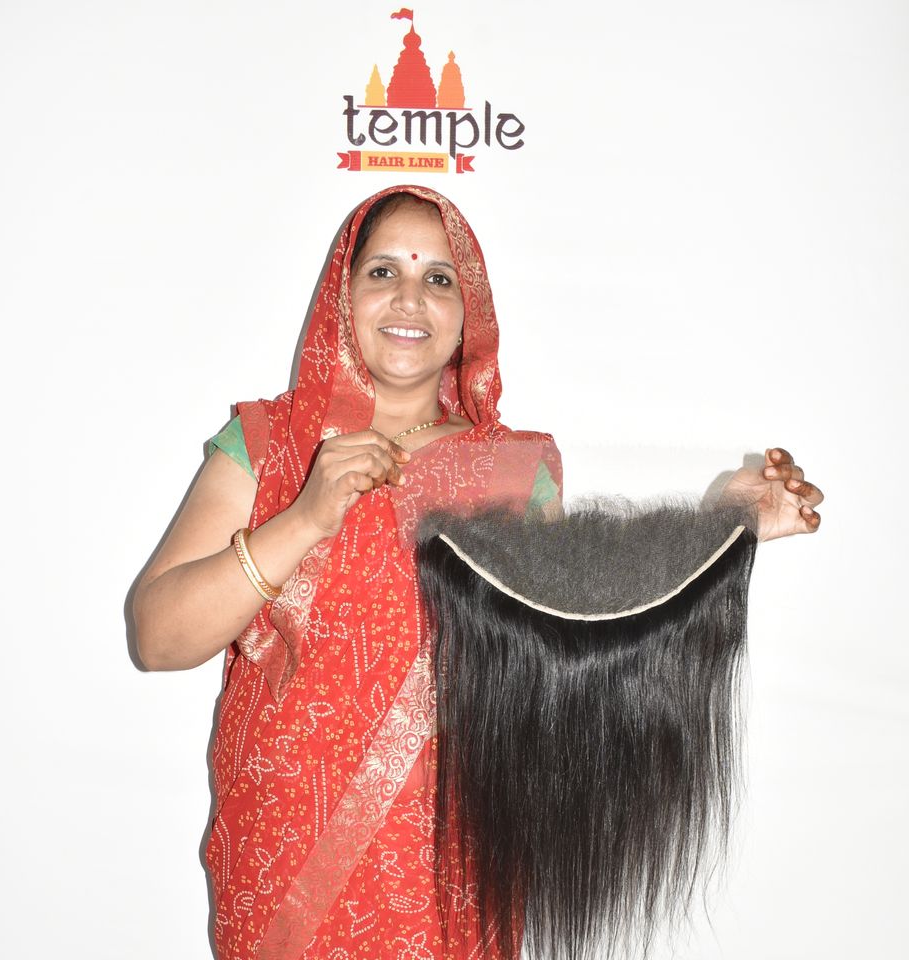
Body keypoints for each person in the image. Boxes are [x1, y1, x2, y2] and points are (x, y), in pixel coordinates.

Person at [132, 184, 824, 960]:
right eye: (383, 271)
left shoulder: (513, 471)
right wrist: (305, 518)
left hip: (454, 874)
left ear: (470, 313)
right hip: (289, 866)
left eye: (439, 278)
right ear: (342, 292)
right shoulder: (266, 443)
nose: (410, 299)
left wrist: (720, 526)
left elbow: (575, 655)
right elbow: (157, 639)